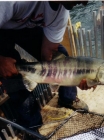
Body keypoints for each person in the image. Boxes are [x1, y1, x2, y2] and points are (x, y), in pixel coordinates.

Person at [0, 1, 89, 132]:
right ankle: (31, 126)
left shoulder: (61, 12)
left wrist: (71, 77)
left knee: (61, 58)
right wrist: (1, 61)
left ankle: (67, 99)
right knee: (13, 79)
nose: (85, 2)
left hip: (25, 27)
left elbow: (48, 54)